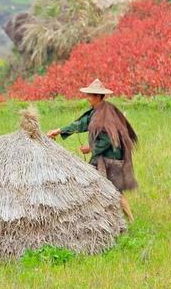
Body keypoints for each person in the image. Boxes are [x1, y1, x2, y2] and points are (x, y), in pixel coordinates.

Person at [47, 79, 138, 221]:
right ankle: (99, 217)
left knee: (116, 192)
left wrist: (90, 148)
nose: (87, 98)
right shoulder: (97, 111)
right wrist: (58, 131)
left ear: (97, 96)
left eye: (90, 95)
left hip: (111, 158)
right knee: (91, 183)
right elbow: (81, 124)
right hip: (101, 157)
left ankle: (130, 220)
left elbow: (110, 138)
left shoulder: (106, 113)